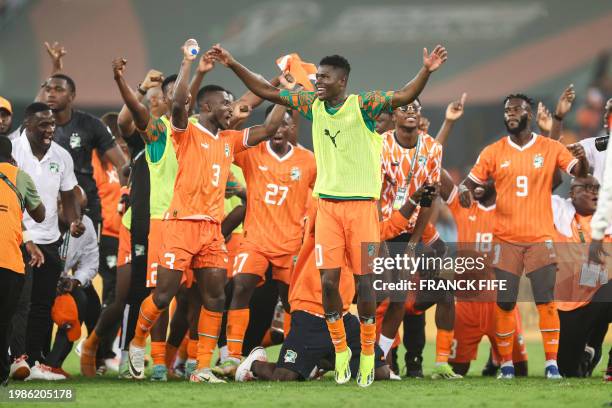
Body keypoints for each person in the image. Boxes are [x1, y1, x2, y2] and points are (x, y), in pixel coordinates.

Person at [208, 41, 447, 387]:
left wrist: (426, 70)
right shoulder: (312, 104)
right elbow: (264, 89)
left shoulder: (362, 106)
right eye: (316, 76)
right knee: (329, 282)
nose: (317, 81)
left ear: (342, 80)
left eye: (324, 77)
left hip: (362, 205)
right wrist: (232, 63)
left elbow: (403, 94)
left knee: (366, 282)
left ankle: (366, 353)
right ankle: (340, 351)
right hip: (329, 207)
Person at [127, 39, 286, 384]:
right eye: (226, 103)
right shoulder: (185, 132)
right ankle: (138, 339)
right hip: (180, 224)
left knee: (214, 296)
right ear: (208, 106)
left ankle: (201, 369)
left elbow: (270, 129)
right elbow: (180, 102)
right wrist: (189, 64)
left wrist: (286, 95)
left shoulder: (228, 139)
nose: (232, 108)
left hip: (212, 229)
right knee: (164, 295)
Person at [234, 185, 437, 383]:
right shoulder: (322, 207)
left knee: (381, 372)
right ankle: (254, 365)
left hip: (342, 313)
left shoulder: (358, 222)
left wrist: (413, 200)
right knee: (285, 377)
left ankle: (321, 361)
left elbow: (388, 228)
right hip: (310, 309)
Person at [459, 93, 588, 380]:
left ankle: (551, 363)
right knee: (505, 302)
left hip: (540, 237)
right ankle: (505, 364)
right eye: (506, 110)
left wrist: (583, 163)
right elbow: (468, 183)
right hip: (505, 239)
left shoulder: (550, 147)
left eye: (516, 110)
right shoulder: (493, 152)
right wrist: (466, 192)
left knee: (545, 300)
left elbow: (576, 171)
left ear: (528, 114)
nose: (510, 114)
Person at [214, 103, 316, 376]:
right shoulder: (252, 152)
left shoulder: (308, 161)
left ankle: (295, 357)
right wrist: (235, 121)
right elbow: (223, 142)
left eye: (283, 123)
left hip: (291, 245)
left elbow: (322, 195)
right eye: (273, 123)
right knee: (241, 286)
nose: (278, 130)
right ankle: (232, 356)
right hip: (255, 240)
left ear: (292, 127)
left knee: (293, 302)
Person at [10, 102, 85, 378]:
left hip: (50, 240)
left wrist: (74, 219)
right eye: (43, 124)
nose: (50, 129)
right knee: (18, 303)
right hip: (17, 238)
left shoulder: (62, 155)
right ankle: (13, 358)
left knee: (42, 305)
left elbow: (68, 195)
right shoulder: (13, 150)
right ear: (27, 124)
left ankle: (32, 362)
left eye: (52, 124)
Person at [439, 170, 528, 377]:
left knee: (521, 371)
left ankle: (497, 358)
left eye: (484, 178)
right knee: (457, 370)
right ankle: (495, 358)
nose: (477, 182)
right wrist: (426, 141)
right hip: (467, 304)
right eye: (474, 178)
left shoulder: (513, 212)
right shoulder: (463, 206)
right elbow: (437, 170)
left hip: (501, 303)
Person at [37, 42, 128, 231]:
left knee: (86, 261)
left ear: (72, 96)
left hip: (85, 204)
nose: (51, 94)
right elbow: (35, 108)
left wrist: (126, 192)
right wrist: (55, 68)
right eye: (48, 90)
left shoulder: (91, 125)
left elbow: (122, 163)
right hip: (46, 204)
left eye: (59, 90)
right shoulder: (36, 125)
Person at [553, 175, 612, 377]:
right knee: (569, 371)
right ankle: (589, 352)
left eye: (597, 188)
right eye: (586, 188)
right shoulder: (558, 215)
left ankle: (601, 349)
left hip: (600, 294)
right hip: (569, 306)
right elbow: (539, 193)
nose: (594, 192)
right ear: (572, 194)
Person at [0, 136, 45, 383]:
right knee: (5, 320)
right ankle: (2, 373)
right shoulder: (19, 175)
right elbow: (40, 214)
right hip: (8, 263)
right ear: (11, 157)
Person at [47, 186, 101, 377]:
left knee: (84, 301)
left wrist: (76, 280)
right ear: (60, 204)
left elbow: (91, 261)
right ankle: (30, 358)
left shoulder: (85, 225)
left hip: (63, 280)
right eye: (75, 210)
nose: (79, 216)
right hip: (37, 277)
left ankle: (53, 364)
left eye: (83, 211)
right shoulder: (44, 217)